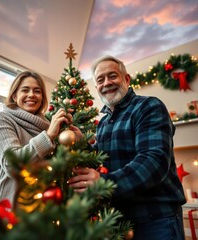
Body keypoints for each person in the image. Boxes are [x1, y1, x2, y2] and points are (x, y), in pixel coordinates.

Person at [68, 56, 186, 240]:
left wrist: (104, 184)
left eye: (112, 76)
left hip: (156, 219)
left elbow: (154, 161)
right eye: (100, 80)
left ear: (127, 79)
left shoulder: (148, 106)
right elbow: (102, 160)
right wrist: (82, 142)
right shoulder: (104, 122)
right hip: (119, 221)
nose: (107, 83)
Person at [0, 70, 80, 207]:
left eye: (37, 91)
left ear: (42, 98)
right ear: (14, 96)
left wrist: (74, 141)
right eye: (25, 90)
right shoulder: (1, 119)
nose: (31, 95)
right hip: (6, 212)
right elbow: (11, 165)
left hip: (39, 214)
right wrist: (48, 136)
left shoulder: (48, 126)